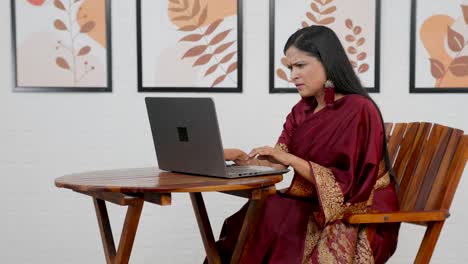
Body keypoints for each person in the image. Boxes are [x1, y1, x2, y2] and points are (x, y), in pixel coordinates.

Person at [217, 25, 400, 263]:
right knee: (246, 219)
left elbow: (349, 187)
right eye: (290, 67)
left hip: (362, 211)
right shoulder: (302, 109)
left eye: (300, 65)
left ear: (327, 62)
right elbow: (278, 160)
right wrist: (243, 159)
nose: (292, 75)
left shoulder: (359, 109)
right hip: (315, 202)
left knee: (273, 218)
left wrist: (290, 159)